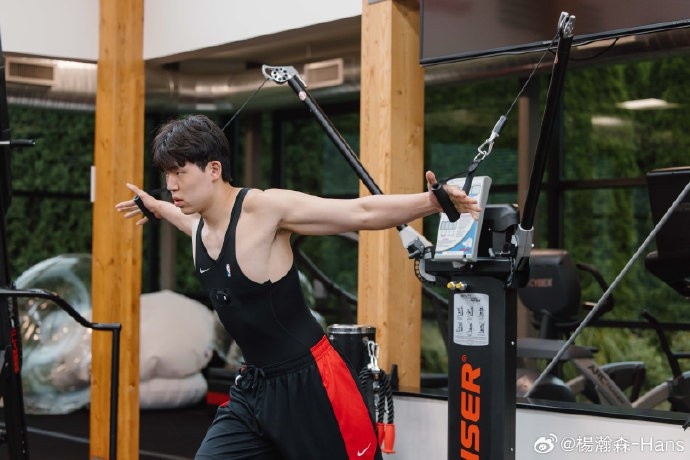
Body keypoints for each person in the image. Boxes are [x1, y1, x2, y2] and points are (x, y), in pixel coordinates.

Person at [116, 114, 480, 460]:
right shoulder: (199, 227)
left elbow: (361, 212)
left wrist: (431, 202)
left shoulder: (265, 209)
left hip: (312, 383)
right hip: (254, 388)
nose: (171, 185)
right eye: (167, 174)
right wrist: (157, 208)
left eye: (180, 172)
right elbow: (180, 217)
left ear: (214, 169)